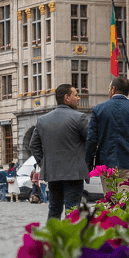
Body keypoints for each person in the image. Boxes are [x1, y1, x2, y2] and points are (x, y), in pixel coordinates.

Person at [85, 76, 129, 195]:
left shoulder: (99, 110)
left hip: (107, 163)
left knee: (111, 202)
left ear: (113, 89)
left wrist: (88, 164)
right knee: (127, 204)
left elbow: (91, 140)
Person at [30, 84, 90, 220]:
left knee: (54, 208)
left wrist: (44, 162)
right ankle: (70, 238)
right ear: (66, 98)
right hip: (74, 173)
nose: (79, 98)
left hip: (53, 172)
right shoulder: (79, 117)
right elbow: (91, 142)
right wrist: (86, 163)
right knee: (72, 208)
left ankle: (52, 238)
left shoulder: (43, 120)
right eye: (76, 95)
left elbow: (33, 145)